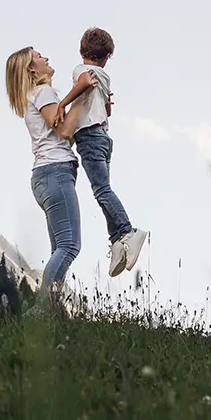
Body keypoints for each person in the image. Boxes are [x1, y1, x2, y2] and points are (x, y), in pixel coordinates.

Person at [5, 46, 96, 310]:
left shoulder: (36, 95)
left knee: (60, 247)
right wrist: (81, 93)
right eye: (39, 56)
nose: (45, 57)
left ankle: (52, 312)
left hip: (47, 176)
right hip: (55, 172)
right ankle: (42, 311)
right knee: (69, 246)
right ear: (32, 69)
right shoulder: (42, 92)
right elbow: (65, 130)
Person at [56, 27, 150, 277]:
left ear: (80, 50)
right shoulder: (105, 77)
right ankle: (117, 241)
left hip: (88, 136)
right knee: (102, 190)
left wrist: (63, 104)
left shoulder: (81, 70)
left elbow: (85, 82)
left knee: (102, 190)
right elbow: (107, 110)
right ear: (107, 56)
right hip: (103, 138)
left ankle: (128, 232)